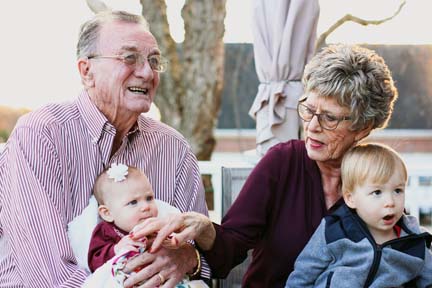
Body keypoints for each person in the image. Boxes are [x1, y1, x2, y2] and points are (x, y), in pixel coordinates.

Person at [129, 44, 400, 287]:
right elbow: (229, 250)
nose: (312, 126)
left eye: (329, 118)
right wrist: (205, 228)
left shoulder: (380, 176)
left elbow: (399, 256)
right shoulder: (282, 163)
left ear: (363, 127)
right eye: (308, 109)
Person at [0, 10, 209, 288]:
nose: (147, 72)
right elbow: (47, 275)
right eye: (129, 57)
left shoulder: (173, 148)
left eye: (154, 61)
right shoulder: (41, 134)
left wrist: (189, 257)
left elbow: (203, 253)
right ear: (87, 72)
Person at [286, 143, 432, 287]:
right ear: (351, 199)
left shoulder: (415, 241)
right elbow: (302, 275)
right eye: (377, 192)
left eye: (398, 190)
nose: (390, 202)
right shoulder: (335, 231)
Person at [85, 163, 207, 287]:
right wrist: (116, 249)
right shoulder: (106, 230)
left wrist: (171, 244)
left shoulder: (159, 226)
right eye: (133, 202)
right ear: (107, 213)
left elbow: (175, 251)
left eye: (149, 198)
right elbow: (94, 262)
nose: (146, 207)